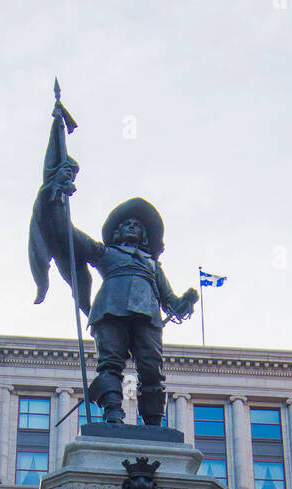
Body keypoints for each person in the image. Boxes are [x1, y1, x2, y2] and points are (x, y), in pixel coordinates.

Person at [31, 157, 198, 425]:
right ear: (118, 232)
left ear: (144, 236)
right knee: (110, 364)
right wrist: (58, 196)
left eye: (137, 225)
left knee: (152, 368)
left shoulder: (152, 265)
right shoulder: (105, 253)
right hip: (110, 309)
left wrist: (185, 301)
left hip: (147, 315)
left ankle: (153, 422)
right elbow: (68, 234)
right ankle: (112, 413)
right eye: (127, 224)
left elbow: (170, 301)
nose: (132, 226)